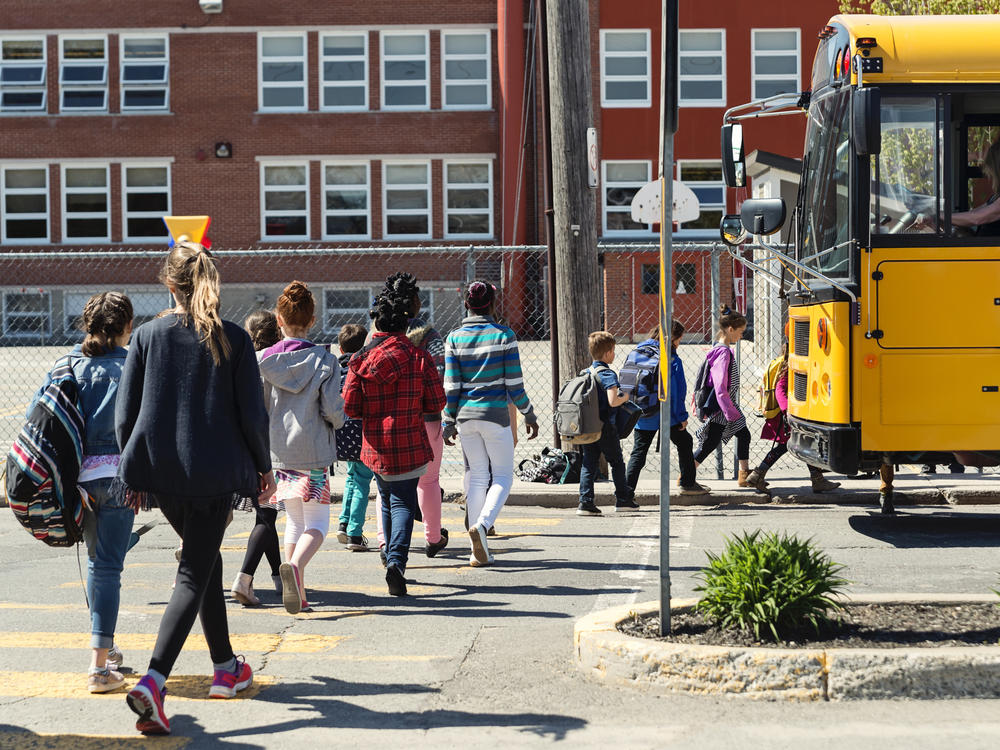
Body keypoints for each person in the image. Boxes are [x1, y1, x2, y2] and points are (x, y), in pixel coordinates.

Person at [116, 241, 274, 736]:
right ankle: (154, 679)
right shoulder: (233, 338)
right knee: (192, 571)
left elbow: (127, 414)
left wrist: (135, 472)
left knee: (203, 560)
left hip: (163, 473)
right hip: (214, 474)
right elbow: (252, 414)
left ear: (168, 284)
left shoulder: (146, 335)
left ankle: (226, 665)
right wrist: (263, 469)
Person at [33, 293, 135, 692]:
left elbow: (38, 417)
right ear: (126, 327)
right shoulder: (132, 366)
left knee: (98, 563)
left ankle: (106, 649)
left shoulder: (66, 364)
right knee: (108, 566)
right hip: (120, 477)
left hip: (76, 480)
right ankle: (97, 667)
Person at [343, 276, 446, 596]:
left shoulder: (360, 359)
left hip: (375, 445)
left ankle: (388, 552)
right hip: (410, 441)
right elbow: (437, 401)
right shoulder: (418, 357)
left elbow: (350, 405)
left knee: (385, 498)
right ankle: (396, 563)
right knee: (402, 502)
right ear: (404, 323)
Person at [259, 281, 345, 614]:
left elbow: (259, 408)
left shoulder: (262, 361)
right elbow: (332, 410)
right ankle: (294, 569)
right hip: (314, 452)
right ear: (311, 320)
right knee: (318, 524)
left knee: (294, 521)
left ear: (278, 320)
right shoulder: (325, 360)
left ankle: (299, 591)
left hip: (279, 453)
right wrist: (339, 422)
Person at [442, 281, 539, 566]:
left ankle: (476, 550)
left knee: (477, 476)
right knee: (503, 477)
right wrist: (528, 414)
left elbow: (452, 385)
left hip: (465, 418)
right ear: (493, 305)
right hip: (495, 416)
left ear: (466, 305)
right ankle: (482, 526)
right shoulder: (504, 336)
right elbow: (514, 384)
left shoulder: (453, 338)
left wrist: (449, 420)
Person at [371, 274, 450, 559]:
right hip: (426, 419)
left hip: (382, 423)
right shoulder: (430, 337)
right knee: (428, 481)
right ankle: (432, 537)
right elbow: (439, 377)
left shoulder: (376, 339)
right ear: (417, 306)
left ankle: (384, 542)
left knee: (385, 488)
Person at [231, 310, 283, 607]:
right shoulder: (277, 361)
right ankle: (244, 577)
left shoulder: (244, 363)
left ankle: (278, 576)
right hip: (273, 446)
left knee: (267, 514)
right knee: (266, 514)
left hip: (246, 444)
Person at [625, 321, 710, 497]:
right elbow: (676, 392)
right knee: (685, 442)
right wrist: (681, 417)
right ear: (673, 339)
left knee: (639, 452)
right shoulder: (671, 358)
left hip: (642, 410)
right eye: (679, 339)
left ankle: (625, 493)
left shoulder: (638, 351)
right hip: (665, 414)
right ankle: (687, 483)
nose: (679, 343)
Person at [744, 340, 840, 494]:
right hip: (789, 417)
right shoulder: (791, 367)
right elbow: (780, 388)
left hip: (791, 415)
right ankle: (758, 475)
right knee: (793, 445)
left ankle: (758, 475)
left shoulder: (791, 365)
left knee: (797, 445)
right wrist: (787, 410)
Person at [576, 331, 637, 516]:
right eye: (613, 350)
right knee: (617, 462)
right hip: (606, 428)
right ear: (608, 352)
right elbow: (613, 401)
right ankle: (623, 499)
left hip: (589, 427)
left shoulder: (586, 372)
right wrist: (625, 396)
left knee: (589, 463)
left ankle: (585, 503)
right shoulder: (607, 373)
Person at [693, 306, 753, 487]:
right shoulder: (723, 352)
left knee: (743, 435)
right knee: (710, 443)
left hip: (726, 405)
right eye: (740, 332)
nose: (741, 336)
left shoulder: (720, 349)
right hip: (723, 406)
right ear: (730, 329)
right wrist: (730, 411)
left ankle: (744, 475)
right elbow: (720, 386)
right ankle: (686, 474)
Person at [334, 323, 373, 551]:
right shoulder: (363, 367)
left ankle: (343, 521)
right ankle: (355, 535)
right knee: (362, 481)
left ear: (340, 349)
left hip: (341, 432)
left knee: (351, 475)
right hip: (362, 432)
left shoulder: (336, 368)